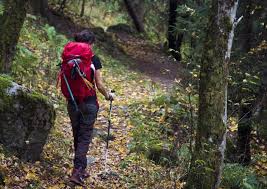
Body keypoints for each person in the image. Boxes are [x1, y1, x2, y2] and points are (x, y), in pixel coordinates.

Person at [62, 30, 114, 185]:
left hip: (72, 101)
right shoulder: (93, 59)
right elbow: (99, 85)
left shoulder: (67, 58)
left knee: (77, 135)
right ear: (91, 43)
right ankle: (77, 172)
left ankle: (80, 169)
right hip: (89, 103)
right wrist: (108, 95)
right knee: (84, 137)